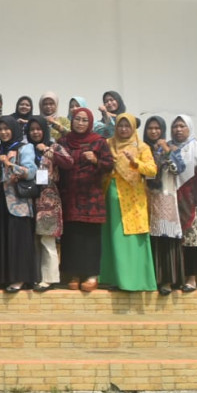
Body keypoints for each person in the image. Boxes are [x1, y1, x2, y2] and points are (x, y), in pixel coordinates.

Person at [53, 106, 114, 291]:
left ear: (90, 123)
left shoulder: (99, 142)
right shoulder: (64, 141)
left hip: (91, 199)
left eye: (84, 120)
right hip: (70, 196)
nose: (80, 123)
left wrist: (96, 160)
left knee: (90, 238)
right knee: (72, 237)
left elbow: (110, 165)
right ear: (72, 120)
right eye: (77, 119)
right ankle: (73, 274)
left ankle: (91, 275)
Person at [0, 116, 38, 293]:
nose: (3, 132)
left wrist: (10, 164)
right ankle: (4, 277)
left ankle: (20, 278)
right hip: (0, 202)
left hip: (18, 202)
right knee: (4, 239)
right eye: (0, 129)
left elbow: (30, 172)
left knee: (18, 241)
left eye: (7, 128)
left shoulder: (25, 147)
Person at [143, 116, 185, 295]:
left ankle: (167, 280)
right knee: (150, 240)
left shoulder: (171, 148)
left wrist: (167, 152)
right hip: (145, 199)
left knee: (166, 237)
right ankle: (152, 278)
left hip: (164, 197)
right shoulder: (143, 149)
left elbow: (179, 169)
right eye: (150, 128)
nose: (153, 131)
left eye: (157, 128)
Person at [169, 114, 197, 292]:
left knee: (192, 239)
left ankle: (191, 278)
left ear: (189, 128)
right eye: (175, 126)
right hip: (171, 198)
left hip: (193, 200)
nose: (178, 129)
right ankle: (175, 277)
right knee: (173, 239)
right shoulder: (167, 147)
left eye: (182, 126)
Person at [27, 115, 62, 292]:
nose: (35, 132)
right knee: (33, 241)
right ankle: (35, 276)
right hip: (28, 199)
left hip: (48, 199)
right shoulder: (25, 148)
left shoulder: (54, 146)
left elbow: (68, 162)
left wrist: (50, 152)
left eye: (38, 128)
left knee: (47, 239)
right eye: (32, 129)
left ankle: (50, 278)